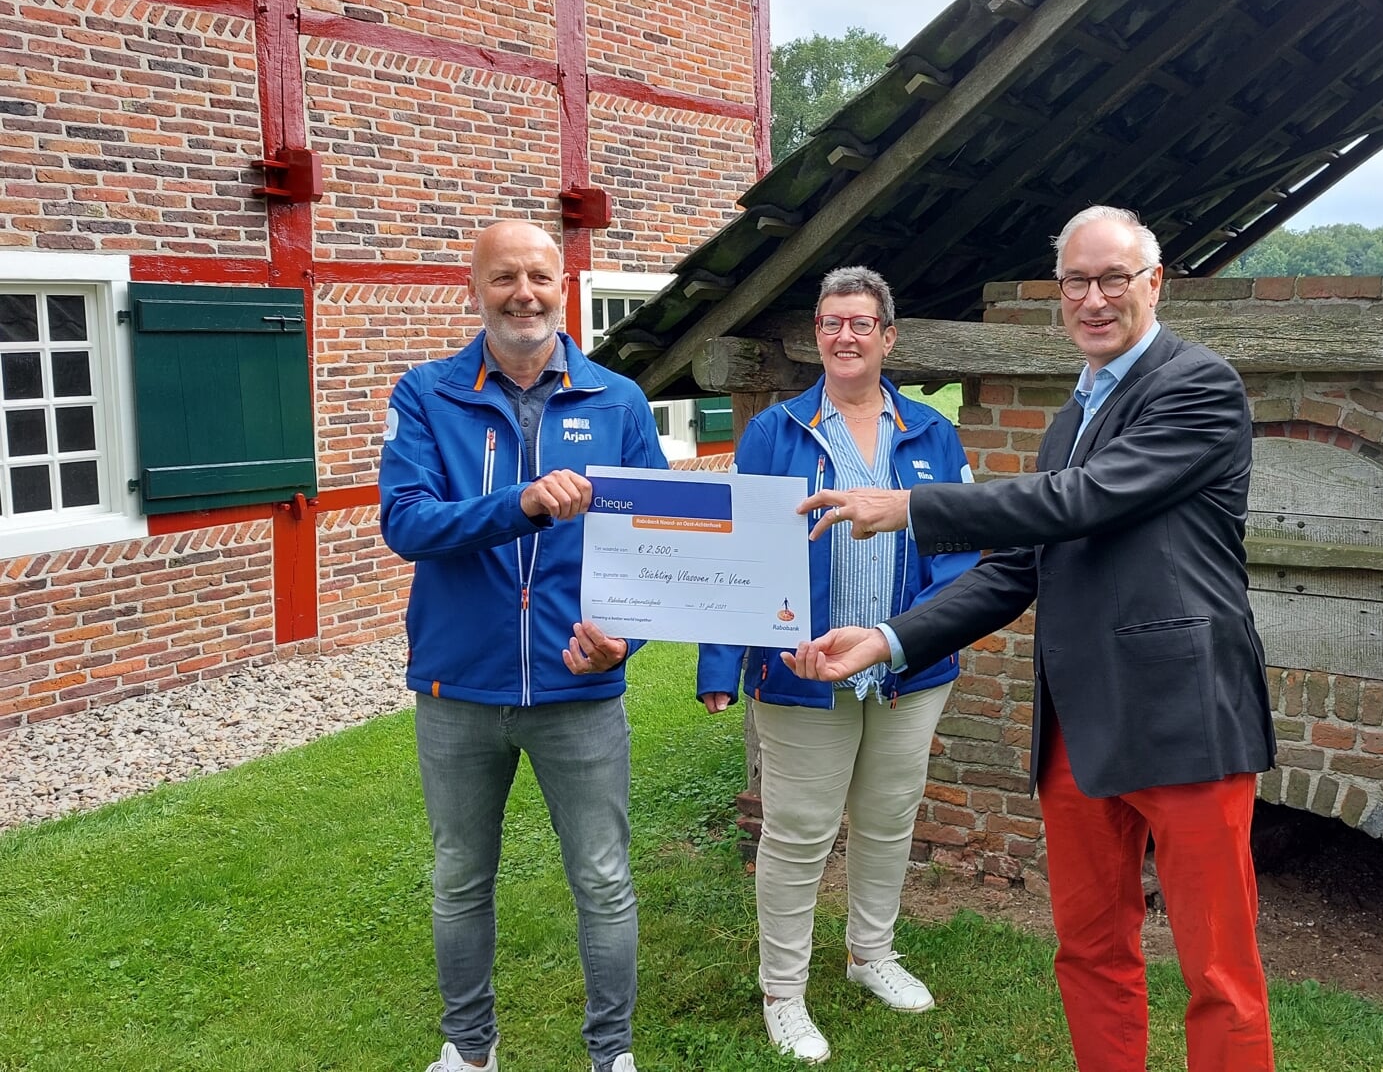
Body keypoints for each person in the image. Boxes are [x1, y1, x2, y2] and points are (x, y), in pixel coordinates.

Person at [784, 207, 1278, 1071]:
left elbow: (1079, 501)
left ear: (1153, 283)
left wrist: (911, 506)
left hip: (1184, 718)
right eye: (1075, 282)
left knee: (1217, 972)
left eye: (1112, 278)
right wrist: (888, 640)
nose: (1093, 298)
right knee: (1089, 952)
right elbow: (1016, 570)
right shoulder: (1070, 416)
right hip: (1078, 729)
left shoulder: (1196, 385)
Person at [379, 220, 668, 1072]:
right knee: (460, 879)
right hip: (458, 686)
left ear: (563, 284)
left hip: (578, 690)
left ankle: (610, 1055)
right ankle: (470, 1049)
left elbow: (657, 544)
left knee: (605, 880)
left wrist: (627, 642)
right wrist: (522, 503)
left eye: (539, 276)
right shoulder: (426, 394)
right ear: (475, 288)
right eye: (504, 277)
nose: (524, 295)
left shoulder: (616, 399)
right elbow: (405, 521)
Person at [696, 266, 978, 1065]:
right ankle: (783, 992)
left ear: (888, 338)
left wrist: (911, 638)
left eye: (860, 323)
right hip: (800, 669)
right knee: (798, 832)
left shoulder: (930, 435)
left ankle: (870, 956)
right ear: (816, 336)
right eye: (829, 323)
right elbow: (738, 549)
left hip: (905, 670)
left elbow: (957, 559)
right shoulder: (776, 431)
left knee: (888, 822)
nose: (844, 336)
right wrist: (722, 664)